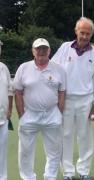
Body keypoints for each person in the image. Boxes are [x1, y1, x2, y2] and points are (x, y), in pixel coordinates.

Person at [51, 17, 94, 180]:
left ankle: (84, 171)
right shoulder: (65, 48)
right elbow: (53, 69)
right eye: (82, 32)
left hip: (86, 100)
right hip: (66, 99)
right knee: (65, 135)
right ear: (76, 31)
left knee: (84, 136)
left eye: (88, 33)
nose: (85, 36)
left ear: (91, 34)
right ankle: (67, 172)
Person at [13, 38, 66, 180]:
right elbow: (18, 91)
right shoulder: (23, 68)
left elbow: (62, 92)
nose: (41, 51)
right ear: (33, 51)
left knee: (54, 151)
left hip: (52, 115)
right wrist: (21, 114)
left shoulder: (59, 69)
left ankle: (50, 177)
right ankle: (28, 177)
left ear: (49, 51)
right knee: (25, 151)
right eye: (38, 49)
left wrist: (59, 112)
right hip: (30, 115)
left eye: (44, 49)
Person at [0, 40, 13, 180]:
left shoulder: (4, 68)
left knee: (1, 153)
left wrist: (9, 109)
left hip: (2, 119)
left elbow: (10, 91)